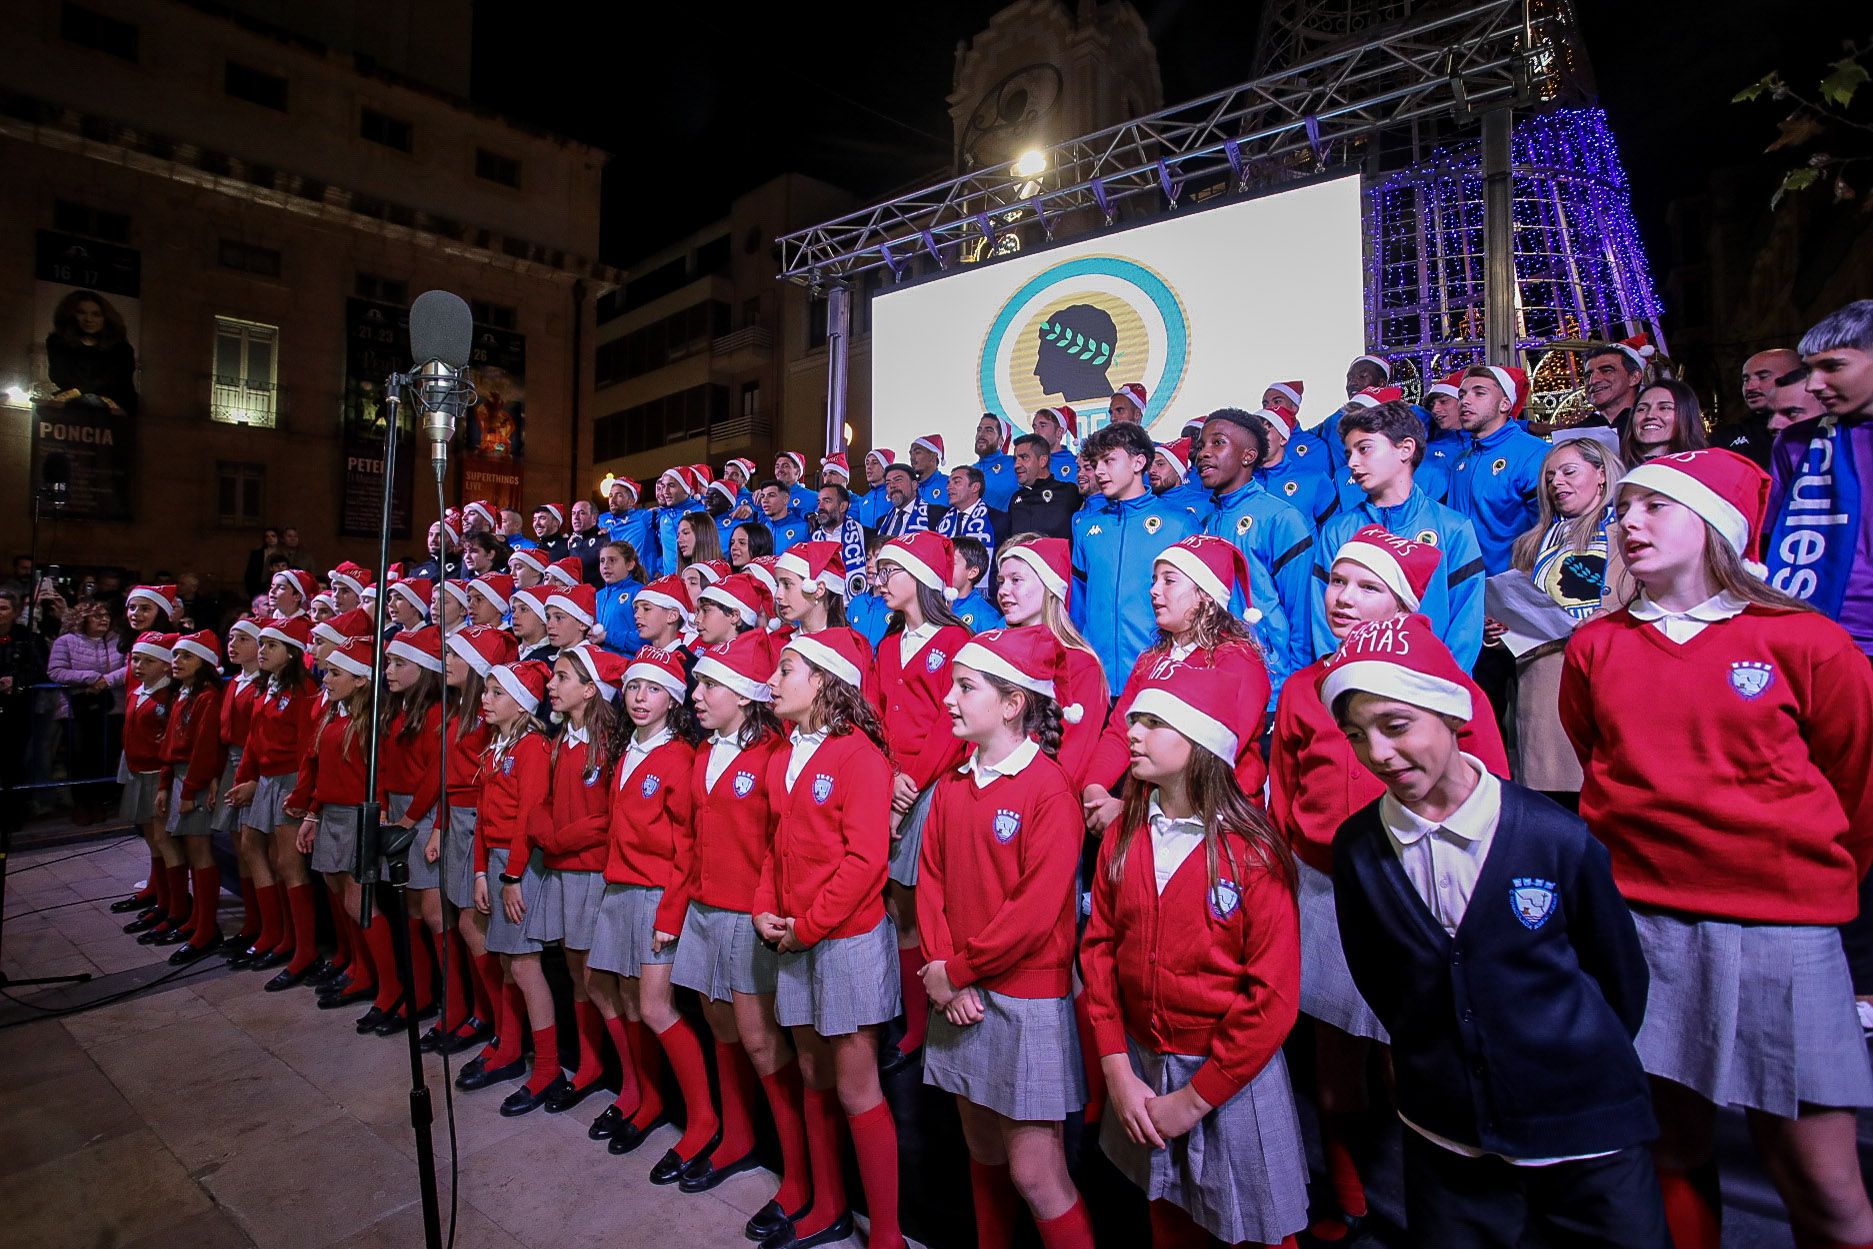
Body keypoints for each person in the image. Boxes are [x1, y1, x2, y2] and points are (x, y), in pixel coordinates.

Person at [1562, 447, 1873, 1249]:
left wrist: (1797, 885)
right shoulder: (1596, 647)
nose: (1626, 522)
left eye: (1652, 507)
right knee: (1669, 1152)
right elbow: (1597, 753)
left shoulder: (1804, 642)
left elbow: (1855, 781)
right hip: (1642, 926)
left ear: (1715, 528)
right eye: (1622, 506)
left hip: (1781, 932)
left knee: (1820, 1178)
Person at [1326, 614, 1666, 1249]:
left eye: (1397, 726)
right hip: (1446, 1133)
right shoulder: (1358, 849)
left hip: (1581, 1127)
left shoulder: (1552, 835)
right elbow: (1378, 975)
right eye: (1356, 736)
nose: (1379, 753)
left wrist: (1562, 1059)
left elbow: (1618, 977)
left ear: (1453, 716)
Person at [1272, 531, 1507, 1243]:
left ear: (1402, 601)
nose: (1342, 598)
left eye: (1365, 586)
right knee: (1336, 1058)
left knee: (1418, 1058)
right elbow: (1284, 792)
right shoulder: (1302, 688)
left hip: (1421, 887)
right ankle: (1346, 1195)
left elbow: (1491, 787)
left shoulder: (1451, 690)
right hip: (1325, 889)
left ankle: (1442, 1204)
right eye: (1336, 582)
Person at [1081, 663, 1308, 1249]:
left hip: (1226, 1077)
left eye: (1154, 722)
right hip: (1143, 1070)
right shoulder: (1124, 835)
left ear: (1203, 739)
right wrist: (1116, 1067)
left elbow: (1272, 998)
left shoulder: (1250, 853)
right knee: (1167, 1215)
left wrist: (1194, 1098)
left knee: (1252, 1228)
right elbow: (1100, 948)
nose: (1131, 733)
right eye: (1134, 719)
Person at [918, 626, 1096, 1249]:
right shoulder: (952, 786)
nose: (950, 699)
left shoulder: (1049, 791)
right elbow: (930, 883)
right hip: (956, 990)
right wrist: (941, 965)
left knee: (1036, 1170)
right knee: (983, 1147)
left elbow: (1035, 912)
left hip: (1020, 998)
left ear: (1014, 702)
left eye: (966, 687)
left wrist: (955, 972)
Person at [754, 628, 906, 1249]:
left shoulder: (858, 756)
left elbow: (866, 861)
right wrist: (765, 908)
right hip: (794, 934)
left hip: (843, 940)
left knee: (854, 1083)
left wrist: (805, 928)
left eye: (785, 668)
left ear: (821, 681)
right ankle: (828, 1206)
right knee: (813, 1071)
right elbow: (776, 846)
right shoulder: (781, 756)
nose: (772, 679)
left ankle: (889, 1236)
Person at [664, 630, 805, 1219]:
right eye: (697, 683)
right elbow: (690, 844)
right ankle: (738, 1139)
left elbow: (782, 844)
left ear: (745, 695)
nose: (696, 694)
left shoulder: (774, 753)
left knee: (760, 1042)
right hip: (701, 910)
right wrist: (675, 912)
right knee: (721, 1030)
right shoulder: (701, 754)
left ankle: (798, 1173)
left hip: (748, 916)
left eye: (710, 684)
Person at [585, 645, 721, 1180]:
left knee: (656, 1006)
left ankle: (704, 1119)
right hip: (620, 889)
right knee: (619, 994)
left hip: (656, 895)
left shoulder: (678, 756)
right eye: (636, 688)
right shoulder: (628, 750)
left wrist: (670, 912)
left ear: (674, 700)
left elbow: (686, 846)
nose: (641, 698)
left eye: (655, 690)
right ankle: (644, 1097)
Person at [498, 645, 624, 1115]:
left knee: (596, 982)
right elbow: (540, 807)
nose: (551, 685)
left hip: (591, 874)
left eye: (563, 677)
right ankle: (589, 1065)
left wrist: (557, 838)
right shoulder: (558, 743)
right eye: (553, 676)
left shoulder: (606, 745)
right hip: (563, 871)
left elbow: (606, 818)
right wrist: (547, 833)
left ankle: (630, 1081)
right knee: (576, 977)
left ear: (590, 690)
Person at [1080, 536, 1272, 834]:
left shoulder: (1239, 661)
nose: (1154, 590)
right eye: (1154, 580)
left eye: (1169, 581)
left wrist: (1129, 809)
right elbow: (1120, 731)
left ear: (1205, 595)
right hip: (1151, 815)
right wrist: (1095, 788)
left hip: (1220, 825)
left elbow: (1212, 758)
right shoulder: (1151, 659)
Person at [873, 532, 972, 1075]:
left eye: (892, 571)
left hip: (934, 785)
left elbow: (950, 724)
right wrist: (890, 776)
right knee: (898, 908)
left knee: (929, 907)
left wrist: (910, 780)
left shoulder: (956, 641)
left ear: (920, 578)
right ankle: (914, 1025)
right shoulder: (889, 646)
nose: (882, 581)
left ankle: (936, 1016)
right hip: (895, 785)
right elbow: (879, 716)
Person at [1310, 399, 1486, 669]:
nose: (1352, 463)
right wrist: (1336, 677)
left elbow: (1467, 624)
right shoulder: (1338, 531)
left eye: (1364, 449)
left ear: (1405, 449)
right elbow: (1324, 620)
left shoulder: (1453, 528)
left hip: (1430, 689)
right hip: (1354, 687)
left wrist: (1443, 687)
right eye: (1348, 454)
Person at [1500, 437, 1629, 804]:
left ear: (1602, 475)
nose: (1557, 482)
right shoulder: (1530, 544)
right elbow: (1515, 607)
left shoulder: (1628, 535)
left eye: (1569, 471)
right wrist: (1497, 630)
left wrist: (1611, 620)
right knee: (1550, 807)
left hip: (1604, 683)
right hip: (1541, 688)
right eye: (1550, 476)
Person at [455, 660, 553, 1096]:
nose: (485, 700)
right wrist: (480, 871)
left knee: (525, 965)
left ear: (521, 702)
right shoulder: (497, 745)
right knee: (508, 964)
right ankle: (509, 1047)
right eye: (486, 691)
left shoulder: (532, 747)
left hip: (521, 865)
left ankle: (546, 1067)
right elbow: (482, 815)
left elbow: (528, 817)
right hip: (496, 862)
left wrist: (511, 874)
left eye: (497, 693)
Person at [1766, 298, 1873, 657]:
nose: (1813, 384)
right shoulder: (1796, 443)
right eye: (1810, 369)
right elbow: (1767, 539)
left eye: (1832, 366)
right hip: (1821, 633)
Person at [226, 617, 321, 985]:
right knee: (252, 849)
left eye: (270, 646)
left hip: (289, 781)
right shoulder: (268, 686)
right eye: (261, 645)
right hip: (264, 780)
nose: (262, 651)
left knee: (288, 863)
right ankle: (275, 933)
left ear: (292, 653)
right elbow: (253, 736)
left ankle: (304, 950)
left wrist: (299, 794)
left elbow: (305, 749)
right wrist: (245, 777)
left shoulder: (302, 689)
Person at [1072, 422, 1205, 680]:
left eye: (1108, 461)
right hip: (1097, 677)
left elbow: (1199, 610)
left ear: (1138, 462)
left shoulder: (1179, 524)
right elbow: (1077, 605)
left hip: (1160, 677)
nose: (1098, 471)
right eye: (1095, 463)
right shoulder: (1086, 527)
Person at [1195, 409, 1314, 694]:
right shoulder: (1206, 525)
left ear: (1248, 456)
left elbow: (1302, 614)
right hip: (1217, 683)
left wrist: (1294, 688)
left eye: (1217, 443)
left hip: (1272, 685)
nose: (1203, 454)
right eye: (1201, 447)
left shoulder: (1282, 518)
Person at [371, 626, 447, 1034]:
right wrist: (384, 807)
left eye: (400, 663)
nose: (389, 671)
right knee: (411, 911)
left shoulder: (435, 713)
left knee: (435, 915)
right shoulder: (393, 709)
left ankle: (454, 1005)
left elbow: (435, 774)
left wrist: (409, 818)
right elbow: (383, 765)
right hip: (397, 812)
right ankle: (419, 995)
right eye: (388, 663)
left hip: (422, 815)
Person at [996, 537, 1107, 791]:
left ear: (1049, 587)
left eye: (1016, 580)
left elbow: (1072, 761)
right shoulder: (996, 654)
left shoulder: (1080, 664)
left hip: (1043, 804)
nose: (1003, 591)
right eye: (1001, 581)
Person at [153, 631, 227, 963]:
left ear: (204, 663)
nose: (177, 661)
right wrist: (165, 784)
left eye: (186, 656)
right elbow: (169, 745)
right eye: (176, 655)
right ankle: (195, 918)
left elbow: (204, 748)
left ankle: (207, 927)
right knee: (185, 846)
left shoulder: (208, 697)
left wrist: (188, 789)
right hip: (180, 776)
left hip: (193, 781)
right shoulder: (181, 694)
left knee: (199, 849)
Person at [1448, 366, 1548, 577]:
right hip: (1466, 587)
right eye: (1462, 395)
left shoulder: (1535, 455)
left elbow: (1549, 530)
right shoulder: (1460, 462)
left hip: (1513, 591)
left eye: (1479, 393)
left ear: (1505, 404)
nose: (1465, 401)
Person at [119, 632, 185, 943]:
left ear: (165, 666)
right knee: (152, 839)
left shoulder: (167, 698)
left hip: (159, 774)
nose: (139, 666)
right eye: (136, 659)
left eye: (148, 661)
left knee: (164, 839)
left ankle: (177, 906)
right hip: (139, 771)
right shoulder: (138, 693)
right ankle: (161, 898)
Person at [215, 621, 266, 955]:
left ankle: (266, 924)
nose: (232, 644)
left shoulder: (262, 687)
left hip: (254, 768)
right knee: (240, 846)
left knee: (254, 847)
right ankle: (253, 920)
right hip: (233, 764)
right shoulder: (235, 682)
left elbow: (260, 738)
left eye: (243, 638)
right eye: (231, 637)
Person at [49, 599, 123, 825]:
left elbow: (130, 667)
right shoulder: (66, 641)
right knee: (80, 756)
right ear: (82, 619)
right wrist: (89, 677)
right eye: (97, 615)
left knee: (106, 755)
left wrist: (105, 681)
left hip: (111, 707)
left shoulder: (117, 641)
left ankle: (99, 801)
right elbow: (55, 671)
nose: (104, 619)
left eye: (106, 615)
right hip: (76, 708)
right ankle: (81, 803)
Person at [45, 287, 138, 416]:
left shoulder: (121, 349)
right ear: (71, 315)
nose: (88, 319)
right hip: (75, 405)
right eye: (81, 313)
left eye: (96, 314)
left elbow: (115, 382)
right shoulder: (57, 342)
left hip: (117, 407)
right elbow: (59, 375)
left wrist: (75, 391)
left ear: (106, 318)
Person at [1711, 348, 1803, 467]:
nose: (1750, 387)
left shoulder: (1821, 432)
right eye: (1746, 379)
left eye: (1763, 376)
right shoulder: (1724, 438)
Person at [1254, 408, 1338, 529]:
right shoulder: (1240, 481)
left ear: (1283, 439)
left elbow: (1332, 534)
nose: (1257, 438)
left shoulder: (1315, 480)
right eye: (1253, 433)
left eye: (1265, 431)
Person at [1620, 379, 1708, 466]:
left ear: (1686, 415)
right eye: (1641, 409)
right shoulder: (1614, 473)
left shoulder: (1703, 470)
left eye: (1664, 408)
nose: (1650, 415)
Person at [1008, 433, 1078, 540]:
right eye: (1015, 459)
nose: (1016, 465)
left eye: (1024, 457)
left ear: (1042, 461)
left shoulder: (1069, 493)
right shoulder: (1015, 499)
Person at [1576, 340, 1649, 432]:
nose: (1592, 381)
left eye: (1606, 371)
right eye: (1588, 376)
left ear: (1634, 377)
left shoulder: (1656, 424)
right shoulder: (1573, 435)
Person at [593, 541, 646, 657]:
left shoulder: (640, 592)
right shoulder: (597, 596)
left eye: (612, 560)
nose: (606, 565)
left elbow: (647, 637)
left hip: (629, 665)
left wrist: (608, 637)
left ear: (630, 565)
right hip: (600, 667)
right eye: (602, 561)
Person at [812, 482, 867, 592]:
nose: (820, 507)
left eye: (827, 501)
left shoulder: (865, 535)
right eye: (819, 502)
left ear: (843, 506)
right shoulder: (813, 539)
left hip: (854, 605)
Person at [600, 477, 659, 578]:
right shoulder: (602, 519)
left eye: (619, 495)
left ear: (631, 501)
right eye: (610, 495)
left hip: (639, 580)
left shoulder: (642, 517)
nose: (612, 500)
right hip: (613, 581)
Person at [950, 537, 1003, 633]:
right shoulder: (934, 603)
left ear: (972, 572)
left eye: (951, 563)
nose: (945, 567)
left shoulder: (986, 615)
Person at [974, 413, 1020, 511]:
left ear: (1001, 440)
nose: (981, 434)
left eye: (989, 430)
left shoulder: (1014, 464)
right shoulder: (970, 471)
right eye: (979, 430)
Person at [877, 463, 934, 539]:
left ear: (914, 485)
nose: (892, 486)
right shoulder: (881, 522)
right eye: (888, 483)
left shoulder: (934, 515)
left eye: (898, 480)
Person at [757, 481, 812, 555]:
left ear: (785, 499)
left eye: (771, 495)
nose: (765, 500)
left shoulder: (805, 527)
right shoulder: (762, 526)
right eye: (762, 496)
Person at [1032, 406, 1080, 484]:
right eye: (1034, 427)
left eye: (1043, 426)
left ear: (1059, 432)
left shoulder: (1076, 464)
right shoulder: (1029, 463)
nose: (1036, 432)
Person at [565, 500, 606, 587]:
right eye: (573, 513)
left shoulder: (604, 539)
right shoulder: (572, 542)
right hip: (577, 596)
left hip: (597, 596)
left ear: (594, 518)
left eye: (582, 513)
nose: (576, 517)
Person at [909, 435, 952, 514]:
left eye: (917, 452)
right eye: (910, 454)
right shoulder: (910, 487)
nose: (912, 458)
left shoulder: (949, 484)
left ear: (933, 457)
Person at [855, 449, 896, 532]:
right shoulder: (862, 500)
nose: (869, 467)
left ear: (885, 467)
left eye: (875, 462)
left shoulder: (895, 494)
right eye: (867, 463)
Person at [775, 451, 819, 519]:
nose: (780, 470)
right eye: (777, 467)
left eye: (785, 466)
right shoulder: (768, 497)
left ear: (797, 471)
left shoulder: (815, 498)